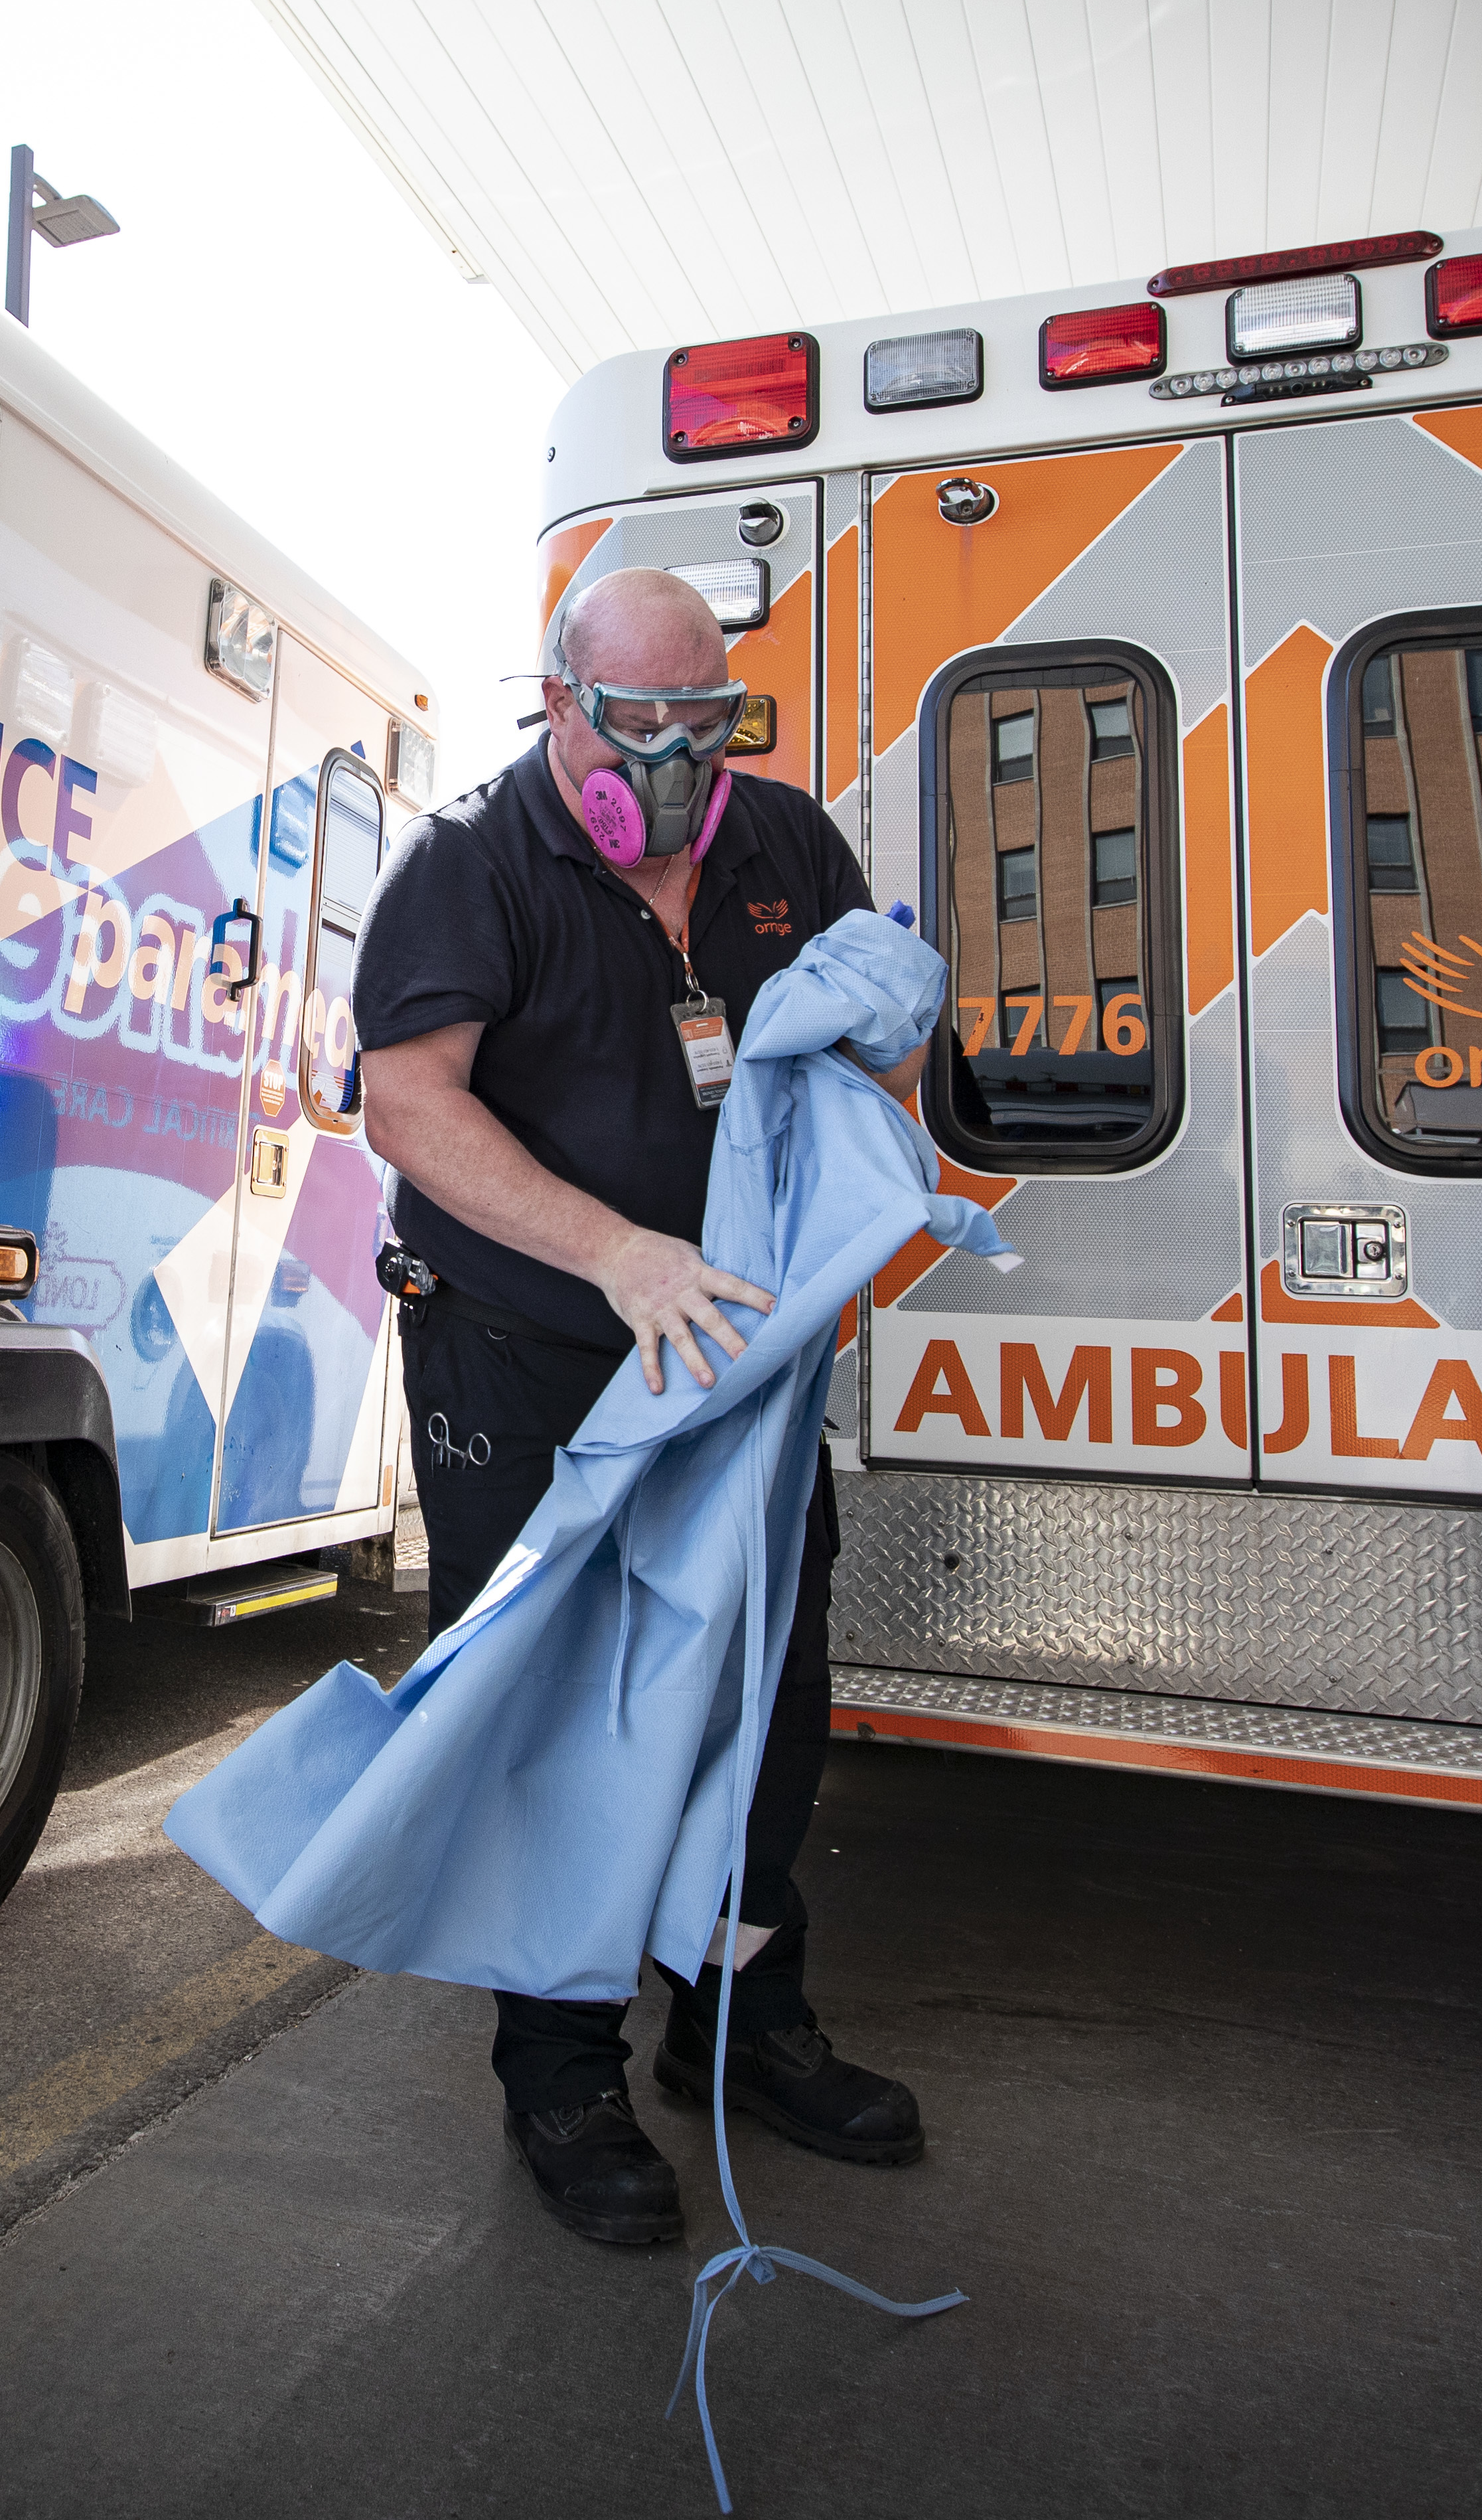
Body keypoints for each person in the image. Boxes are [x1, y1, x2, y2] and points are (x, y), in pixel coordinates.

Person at [355, 564, 931, 2248]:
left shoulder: (785, 847)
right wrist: (616, 1254)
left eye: (710, 724)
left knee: (768, 1701)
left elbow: (860, 1055)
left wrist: (856, 1174)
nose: (677, 766)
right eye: (644, 727)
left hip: (733, 1364)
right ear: (560, 708)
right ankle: (560, 2071)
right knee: (558, 1719)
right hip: (527, 1359)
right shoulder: (469, 866)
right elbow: (408, 1105)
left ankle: (742, 2025)